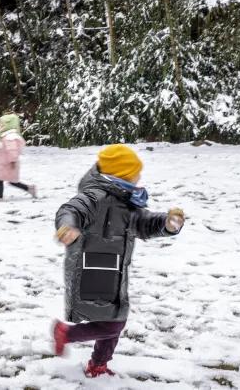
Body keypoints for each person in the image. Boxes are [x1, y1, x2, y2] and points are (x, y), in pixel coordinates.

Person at [51, 144, 185, 378]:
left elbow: (144, 223)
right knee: (112, 324)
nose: (139, 178)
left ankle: (98, 365)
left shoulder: (126, 202)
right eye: (135, 174)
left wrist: (166, 224)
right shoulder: (95, 196)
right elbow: (71, 209)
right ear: (119, 175)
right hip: (91, 270)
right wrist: (68, 225)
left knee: (115, 319)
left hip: (115, 272)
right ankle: (65, 333)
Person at [0, 113, 36, 200]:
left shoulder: (11, 136)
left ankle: (29, 188)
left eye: (2, 124)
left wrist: (13, 160)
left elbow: (13, 150)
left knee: (12, 181)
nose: (0, 126)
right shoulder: (2, 135)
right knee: (0, 179)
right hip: (1, 163)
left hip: (8, 163)